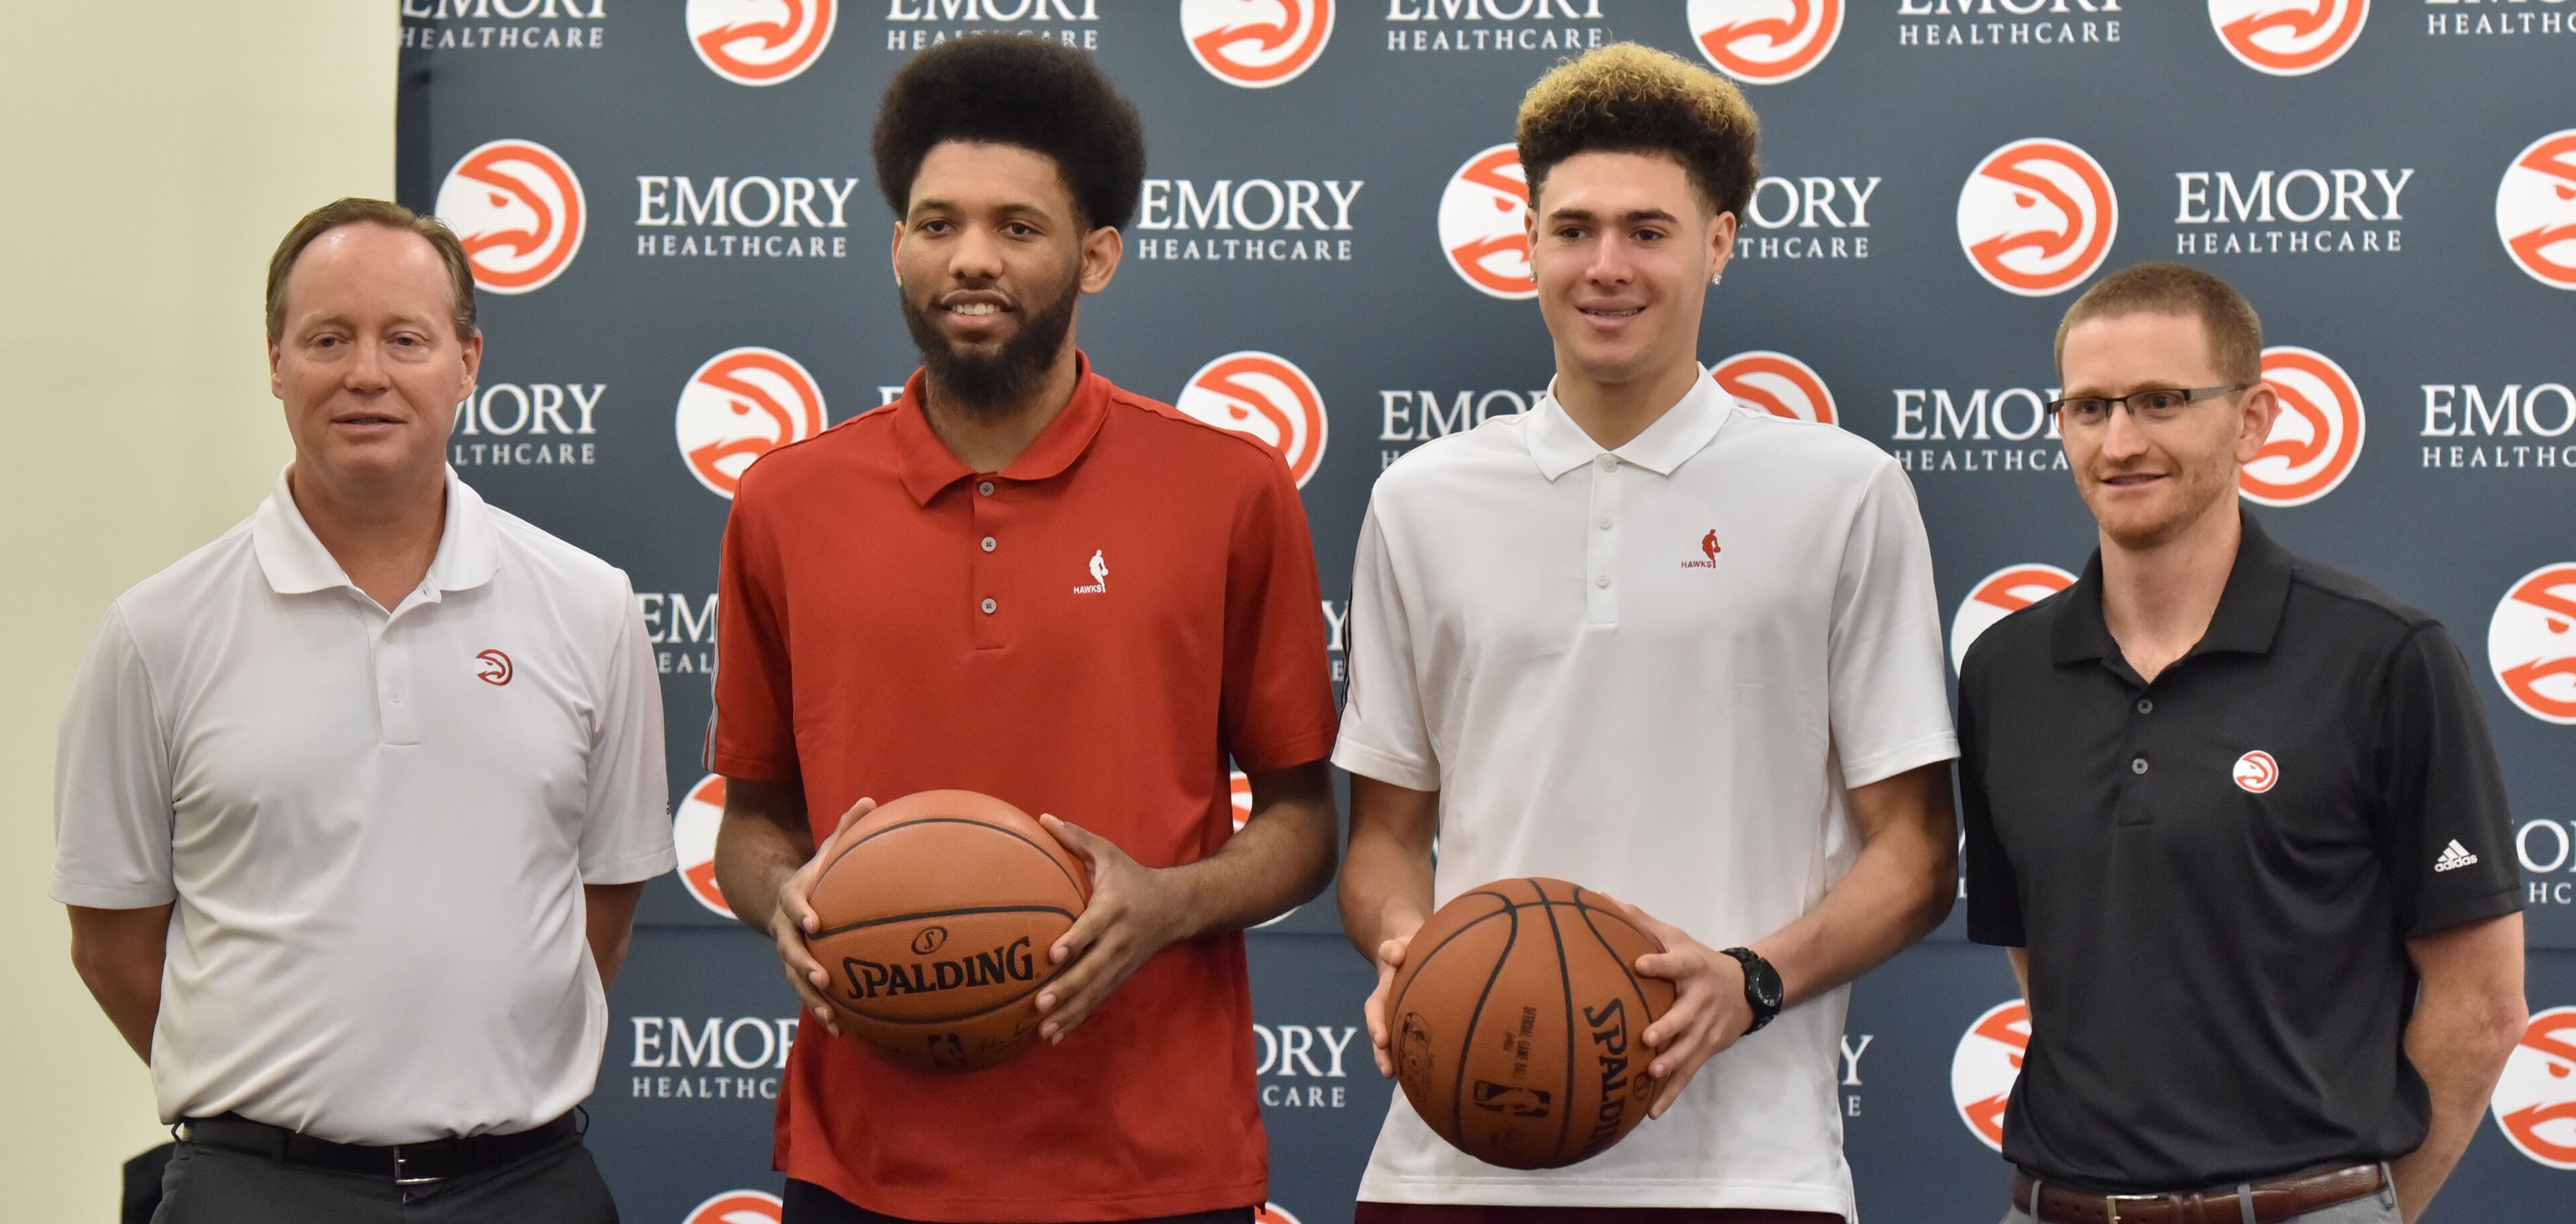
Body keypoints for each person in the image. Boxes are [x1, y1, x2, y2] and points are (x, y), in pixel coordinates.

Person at [705, 36, 1341, 1224]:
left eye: (1018, 227)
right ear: (897, 243)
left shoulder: (1228, 490)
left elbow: (1305, 823)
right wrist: (782, 898)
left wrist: (1169, 901)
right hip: (867, 1167)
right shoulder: (786, 502)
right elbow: (751, 822)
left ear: (1096, 254)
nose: (972, 261)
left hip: (1153, 1161)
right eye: (936, 223)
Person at [1334, 44, 1959, 1223]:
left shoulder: (1843, 491)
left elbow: (1918, 854)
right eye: (1572, 229)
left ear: (1719, 242)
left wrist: (1751, 984)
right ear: (1524, 239)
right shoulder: (1420, 500)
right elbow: (1381, 842)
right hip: (1456, 1157)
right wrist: (1412, 953)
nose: (1606, 266)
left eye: (1648, 231)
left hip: (1747, 1171)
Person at [52, 197, 674, 1223]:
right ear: (275, 364)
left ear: (469, 361)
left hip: (528, 1187)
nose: (367, 374)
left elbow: (601, 903)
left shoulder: (590, 607)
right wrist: (286, 1101)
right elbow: (112, 942)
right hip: (252, 1190)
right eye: (328, 339)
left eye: (406, 339)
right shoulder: (155, 633)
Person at [1958, 262, 2530, 1224]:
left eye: (2162, 401)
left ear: (2255, 419)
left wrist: (2362, 1210)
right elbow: (2046, 965)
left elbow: (2481, 1007)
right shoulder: (2004, 673)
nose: (2121, 440)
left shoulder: (2384, 657)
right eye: (2089, 408)